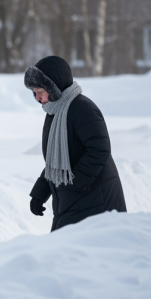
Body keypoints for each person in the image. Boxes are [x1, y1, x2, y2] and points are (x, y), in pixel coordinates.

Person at [25, 56, 126, 231]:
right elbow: (55, 161)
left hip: (95, 200)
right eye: (34, 93)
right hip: (73, 199)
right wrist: (40, 194)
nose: (37, 98)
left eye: (40, 91)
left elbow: (99, 149)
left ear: (53, 86)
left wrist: (75, 183)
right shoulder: (55, 112)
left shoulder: (82, 108)